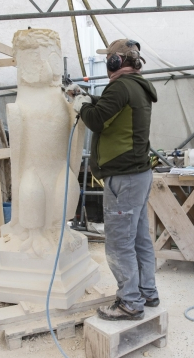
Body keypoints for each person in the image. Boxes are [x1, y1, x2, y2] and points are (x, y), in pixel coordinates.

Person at [66, 39, 159, 321]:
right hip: (138, 175)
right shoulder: (135, 87)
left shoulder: (120, 86)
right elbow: (109, 108)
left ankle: (130, 302)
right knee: (139, 237)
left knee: (119, 243)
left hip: (124, 178)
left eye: (109, 58)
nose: (107, 62)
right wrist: (86, 97)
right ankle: (147, 292)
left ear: (116, 61)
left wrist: (82, 106)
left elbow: (96, 120)